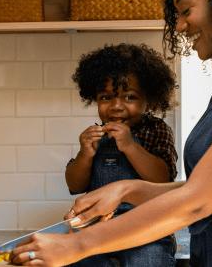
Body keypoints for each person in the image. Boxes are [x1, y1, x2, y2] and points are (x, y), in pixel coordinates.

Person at [9, 0, 212, 266]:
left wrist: (77, 245)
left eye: (185, 10)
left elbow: (199, 201)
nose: (180, 25)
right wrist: (128, 189)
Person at [65, 43, 178, 267]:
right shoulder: (97, 136)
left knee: (147, 261)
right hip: (98, 227)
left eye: (129, 98)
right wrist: (84, 155)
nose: (116, 107)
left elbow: (163, 179)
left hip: (147, 228)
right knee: (77, 261)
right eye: (106, 98)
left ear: (151, 101)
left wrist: (130, 146)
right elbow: (75, 185)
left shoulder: (157, 130)